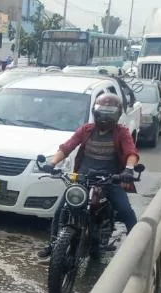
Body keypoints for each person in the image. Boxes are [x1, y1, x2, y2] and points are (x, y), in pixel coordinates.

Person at [38, 93, 140, 260]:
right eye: (102, 112)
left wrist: (128, 170)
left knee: (125, 211)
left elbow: (131, 153)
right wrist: (52, 164)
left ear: (116, 115)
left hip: (110, 180)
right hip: (83, 179)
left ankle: (136, 248)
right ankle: (54, 243)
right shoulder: (86, 130)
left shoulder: (122, 132)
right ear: (95, 112)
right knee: (61, 210)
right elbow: (67, 147)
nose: (105, 117)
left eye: (109, 113)